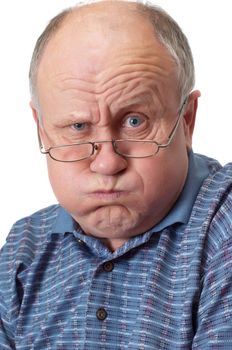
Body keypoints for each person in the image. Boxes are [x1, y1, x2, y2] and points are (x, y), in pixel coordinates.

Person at [1, 0, 232, 348]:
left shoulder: (224, 225)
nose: (107, 164)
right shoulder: (24, 249)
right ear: (42, 130)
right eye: (78, 126)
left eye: (135, 121)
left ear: (187, 121)